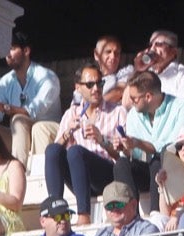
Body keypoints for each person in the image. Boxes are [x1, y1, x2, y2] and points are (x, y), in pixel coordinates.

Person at [44, 63, 127, 225]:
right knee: (53, 149)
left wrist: (102, 140)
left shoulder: (117, 111)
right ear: (78, 88)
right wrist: (68, 133)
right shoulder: (71, 114)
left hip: (107, 174)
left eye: (99, 83)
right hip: (79, 177)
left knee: (75, 152)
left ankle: (84, 215)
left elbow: (124, 157)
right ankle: (56, 212)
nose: (96, 88)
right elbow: (55, 153)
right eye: (90, 85)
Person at [111, 70, 184, 202]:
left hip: (173, 170)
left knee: (158, 159)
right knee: (121, 164)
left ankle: (157, 215)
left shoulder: (182, 107)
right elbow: (137, 155)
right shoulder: (134, 115)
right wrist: (126, 148)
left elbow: (174, 147)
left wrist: (139, 144)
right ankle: (129, 215)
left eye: (134, 98)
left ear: (148, 97)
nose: (130, 102)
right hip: (147, 171)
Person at [0, 31, 62, 169]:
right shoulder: (6, 81)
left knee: (20, 121)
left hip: (49, 131)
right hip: (20, 136)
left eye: (12, 48)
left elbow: (33, 111)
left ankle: (18, 173)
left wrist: (5, 108)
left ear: (26, 51)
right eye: (6, 50)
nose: (8, 54)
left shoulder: (47, 77)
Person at [137, 30, 184, 102]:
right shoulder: (146, 73)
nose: (152, 49)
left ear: (173, 51)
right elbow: (127, 103)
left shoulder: (183, 73)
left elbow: (183, 105)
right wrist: (138, 70)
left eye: (158, 44)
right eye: (150, 45)